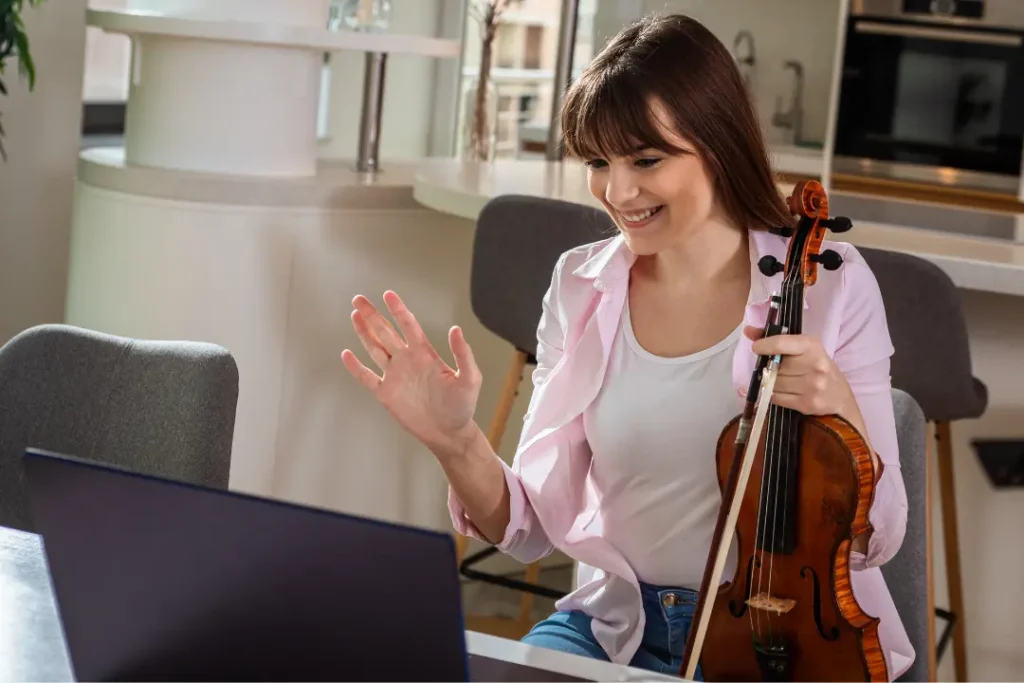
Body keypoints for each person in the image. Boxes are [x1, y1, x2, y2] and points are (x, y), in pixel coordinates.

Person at [340, 13, 913, 682]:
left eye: (646, 160)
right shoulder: (581, 285)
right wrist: (455, 440)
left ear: (719, 143)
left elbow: (879, 539)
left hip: (779, 636)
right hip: (617, 624)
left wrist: (839, 409)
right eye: (597, 163)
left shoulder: (831, 286)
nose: (617, 192)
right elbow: (529, 527)